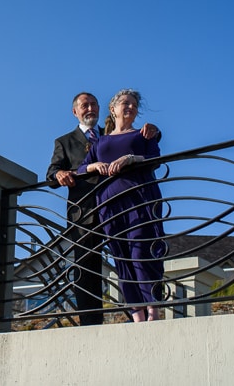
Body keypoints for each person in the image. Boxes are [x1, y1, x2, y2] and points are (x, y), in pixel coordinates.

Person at [47, 92, 159, 326]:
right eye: (84, 105)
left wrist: (155, 131)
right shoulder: (64, 141)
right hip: (86, 214)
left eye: (93, 105)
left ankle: (145, 313)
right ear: (75, 111)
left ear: (102, 109)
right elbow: (52, 174)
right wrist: (60, 174)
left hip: (123, 204)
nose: (90, 109)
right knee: (87, 270)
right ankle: (92, 325)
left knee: (138, 254)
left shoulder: (107, 135)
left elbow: (143, 144)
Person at [79, 88, 165, 323]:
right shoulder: (101, 141)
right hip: (109, 203)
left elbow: (155, 160)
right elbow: (81, 168)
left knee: (142, 252)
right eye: (125, 103)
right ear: (113, 109)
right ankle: (136, 314)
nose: (130, 108)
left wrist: (131, 159)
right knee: (122, 258)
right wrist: (95, 166)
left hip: (140, 199)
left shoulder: (143, 134)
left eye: (134, 105)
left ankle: (153, 311)